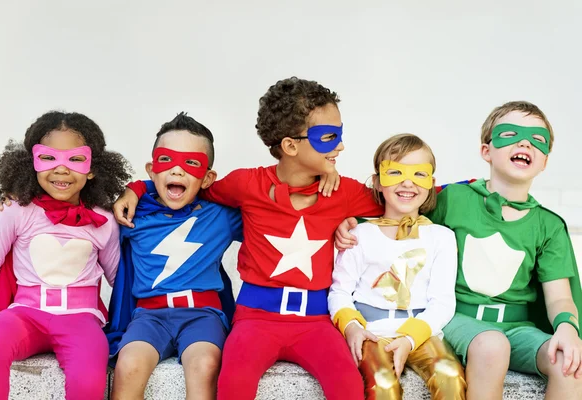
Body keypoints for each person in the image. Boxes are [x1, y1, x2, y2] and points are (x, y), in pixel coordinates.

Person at [114, 77, 385, 400]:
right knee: (233, 384)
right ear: (290, 145)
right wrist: (138, 187)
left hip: (316, 321)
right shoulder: (245, 185)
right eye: (329, 137)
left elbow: (400, 198)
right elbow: (191, 184)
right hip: (255, 319)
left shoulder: (343, 191)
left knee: (348, 386)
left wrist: (351, 219)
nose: (340, 146)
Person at [335, 101, 582, 400]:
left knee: (570, 363)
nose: (524, 142)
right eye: (510, 134)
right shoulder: (455, 198)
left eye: (537, 140)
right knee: (492, 345)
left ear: (545, 160)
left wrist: (567, 328)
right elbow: (404, 205)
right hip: (459, 319)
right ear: (486, 151)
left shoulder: (549, 225)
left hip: (519, 328)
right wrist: (352, 222)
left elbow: (559, 296)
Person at [0, 111, 131, 399]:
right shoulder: (16, 212)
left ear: (93, 169)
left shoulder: (103, 221)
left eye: (75, 159)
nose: (61, 170)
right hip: (25, 315)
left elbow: (118, 278)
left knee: (88, 380)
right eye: (49, 158)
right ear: (31, 164)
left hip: (81, 319)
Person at [107, 112, 242, 400]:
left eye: (191, 163)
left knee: (205, 364)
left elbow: (271, 218)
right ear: (151, 170)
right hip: (148, 316)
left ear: (207, 178)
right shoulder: (134, 213)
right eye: (166, 161)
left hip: (202, 315)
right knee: (128, 364)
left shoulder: (220, 217)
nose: (177, 172)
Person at [329, 133, 466, 399]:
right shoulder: (360, 234)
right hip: (370, 332)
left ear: (431, 183)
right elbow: (340, 292)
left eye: (419, 174)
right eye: (395, 173)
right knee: (382, 383)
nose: (407, 183)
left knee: (450, 375)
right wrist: (352, 327)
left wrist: (410, 338)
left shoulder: (441, 237)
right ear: (378, 183)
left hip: (423, 331)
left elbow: (443, 302)